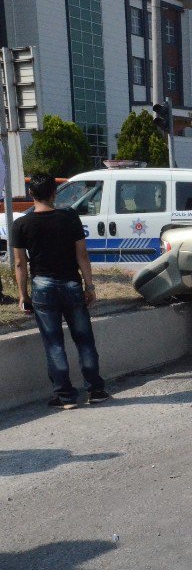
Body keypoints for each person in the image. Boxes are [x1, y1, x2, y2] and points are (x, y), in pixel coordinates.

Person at [11, 173, 108, 409]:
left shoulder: (21, 224)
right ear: (54, 193)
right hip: (71, 284)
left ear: (31, 194)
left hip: (43, 287)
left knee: (54, 343)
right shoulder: (70, 218)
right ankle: (95, 390)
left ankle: (65, 396)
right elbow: (82, 255)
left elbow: (20, 264)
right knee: (84, 340)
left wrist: (23, 295)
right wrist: (89, 285)